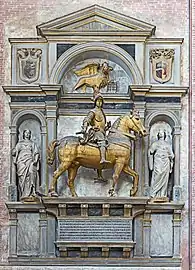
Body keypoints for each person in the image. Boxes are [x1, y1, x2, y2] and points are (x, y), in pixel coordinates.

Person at [81, 94, 111, 164]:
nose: (99, 102)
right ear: (95, 102)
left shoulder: (102, 112)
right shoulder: (93, 111)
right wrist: (85, 128)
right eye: (98, 101)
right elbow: (87, 119)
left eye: (101, 101)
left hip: (102, 132)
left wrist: (107, 127)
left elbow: (102, 127)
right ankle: (103, 159)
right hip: (96, 132)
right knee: (102, 141)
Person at [12, 129, 40, 200]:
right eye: (26, 133)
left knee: (31, 174)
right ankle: (23, 193)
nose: (27, 134)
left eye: (28, 133)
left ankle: (30, 193)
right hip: (21, 161)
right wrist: (14, 151)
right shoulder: (19, 143)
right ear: (23, 134)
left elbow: (36, 152)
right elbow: (15, 152)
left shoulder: (32, 144)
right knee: (21, 176)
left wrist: (35, 160)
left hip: (30, 160)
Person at [148, 130, 174, 200]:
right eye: (159, 132)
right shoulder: (155, 144)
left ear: (164, 135)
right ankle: (154, 193)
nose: (160, 133)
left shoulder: (167, 144)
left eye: (162, 132)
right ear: (158, 135)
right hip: (158, 161)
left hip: (165, 162)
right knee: (158, 174)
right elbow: (151, 151)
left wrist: (170, 156)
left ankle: (163, 195)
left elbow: (171, 154)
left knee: (165, 178)